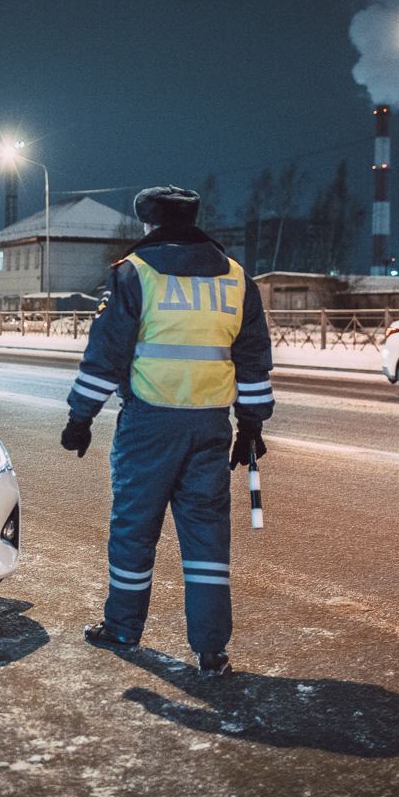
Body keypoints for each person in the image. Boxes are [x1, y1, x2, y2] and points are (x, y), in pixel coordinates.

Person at [61, 185, 275, 677]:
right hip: (210, 427)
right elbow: (253, 359)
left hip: (150, 426)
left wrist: (80, 417)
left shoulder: (135, 273)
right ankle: (211, 649)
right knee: (206, 538)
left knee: (135, 531)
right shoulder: (237, 277)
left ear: (150, 224)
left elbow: (107, 355)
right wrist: (251, 424)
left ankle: (123, 628)